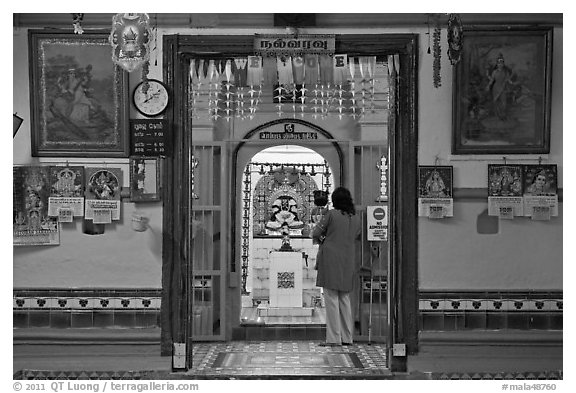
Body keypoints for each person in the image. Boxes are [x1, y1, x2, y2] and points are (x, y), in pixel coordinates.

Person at [312, 187, 361, 346]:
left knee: (331, 299)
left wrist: (323, 240)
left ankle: (333, 339)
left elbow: (315, 233)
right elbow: (357, 236)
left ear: (335, 200)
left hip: (331, 259)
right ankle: (348, 338)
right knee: (345, 299)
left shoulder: (331, 215)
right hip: (348, 260)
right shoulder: (356, 218)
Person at [485, 54, 515, 121]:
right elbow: (492, 80)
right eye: (499, 63)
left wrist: (511, 83)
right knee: (496, 103)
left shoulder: (505, 72)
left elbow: (508, 79)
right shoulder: (494, 72)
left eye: (501, 63)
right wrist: (488, 86)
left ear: (503, 64)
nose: (500, 65)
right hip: (495, 88)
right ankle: (499, 116)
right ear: (497, 64)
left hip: (503, 88)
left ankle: (503, 115)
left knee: (504, 103)